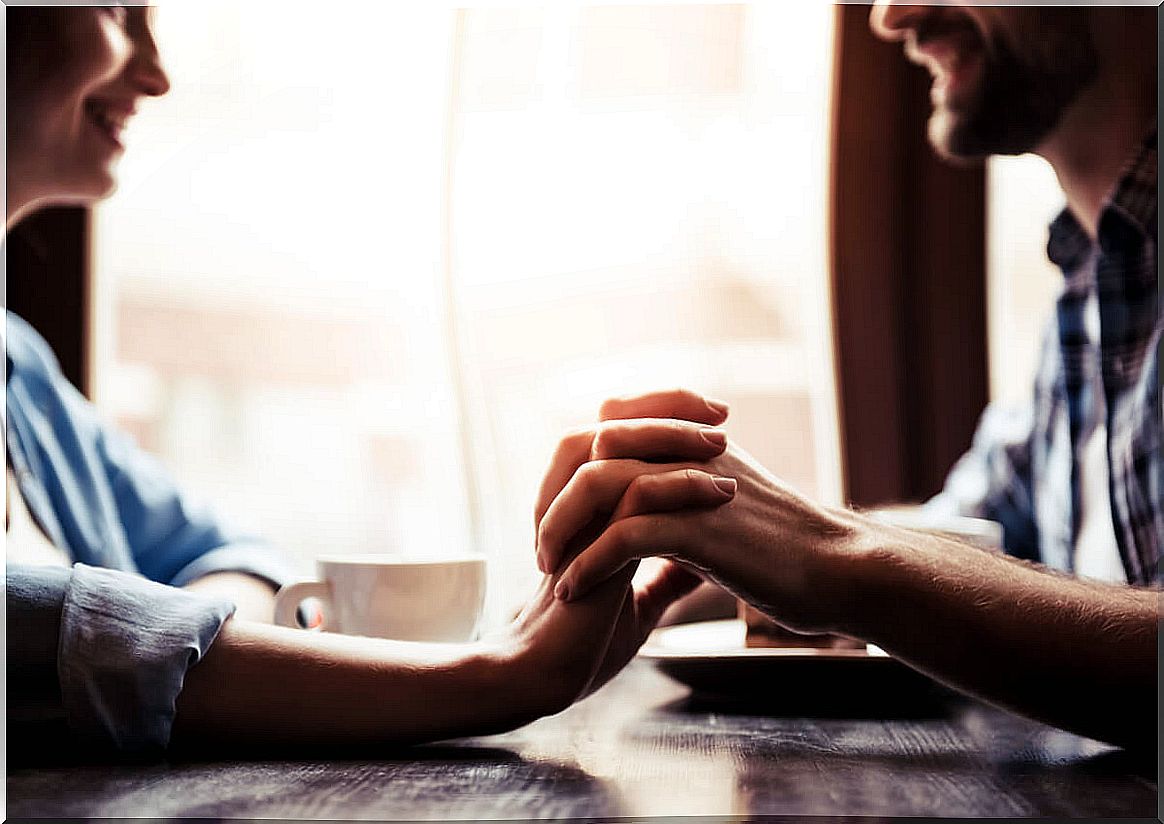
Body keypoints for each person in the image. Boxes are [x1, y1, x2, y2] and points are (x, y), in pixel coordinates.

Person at [4, 6, 738, 757]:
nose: (156, 75)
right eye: (117, 11)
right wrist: (495, 676)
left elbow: (229, 553)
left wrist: (187, 656)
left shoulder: (17, 365)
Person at [537, 2, 1159, 752]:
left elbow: (884, 561)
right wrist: (700, 540)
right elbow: (969, 546)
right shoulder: (1091, 292)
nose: (894, 17)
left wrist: (829, 554)